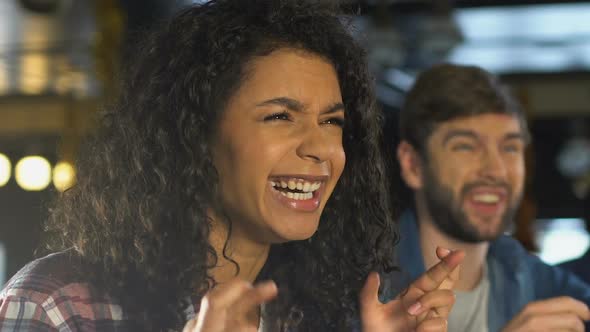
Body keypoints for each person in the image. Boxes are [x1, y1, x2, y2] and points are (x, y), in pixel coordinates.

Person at [0, 1, 464, 331]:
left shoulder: (328, 313)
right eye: (280, 116)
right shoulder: (57, 302)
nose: (321, 148)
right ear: (194, 135)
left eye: (331, 121)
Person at [394, 63, 590, 332]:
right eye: (466, 146)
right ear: (413, 165)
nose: (495, 170)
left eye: (510, 147)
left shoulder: (546, 286)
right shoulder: (346, 289)